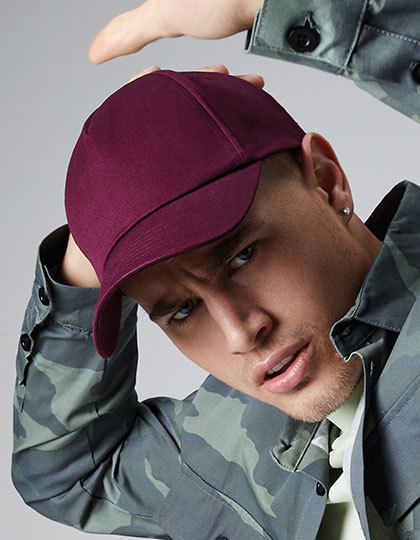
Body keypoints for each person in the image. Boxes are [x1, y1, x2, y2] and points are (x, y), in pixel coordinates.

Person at [12, 2, 420, 540]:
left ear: (325, 180)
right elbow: (67, 473)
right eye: (183, 310)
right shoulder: (225, 441)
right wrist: (104, 218)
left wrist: (272, 8)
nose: (239, 333)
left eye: (241, 256)